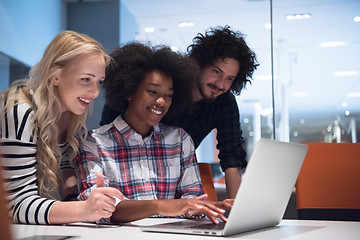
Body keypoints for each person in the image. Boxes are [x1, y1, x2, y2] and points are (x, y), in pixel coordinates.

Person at [75, 42, 232, 224]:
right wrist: (160, 206)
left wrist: (201, 208)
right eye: (152, 91)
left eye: (168, 95)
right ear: (129, 91)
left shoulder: (180, 140)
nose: (161, 101)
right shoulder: (93, 143)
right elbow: (98, 208)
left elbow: (192, 197)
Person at [100, 26, 259, 198]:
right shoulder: (167, 84)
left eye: (230, 79)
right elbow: (108, 137)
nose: (221, 84)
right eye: (216, 72)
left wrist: (237, 211)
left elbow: (232, 157)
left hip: (180, 182)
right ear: (200, 64)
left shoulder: (222, 103)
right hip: (130, 175)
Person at [0, 30, 123, 225]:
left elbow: (63, 164)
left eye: (98, 81)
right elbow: (14, 206)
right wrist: (83, 209)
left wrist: (72, 199)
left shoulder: (68, 111)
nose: (95, 92)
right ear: (54, 76)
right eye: (85, 79)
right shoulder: (20, 111)